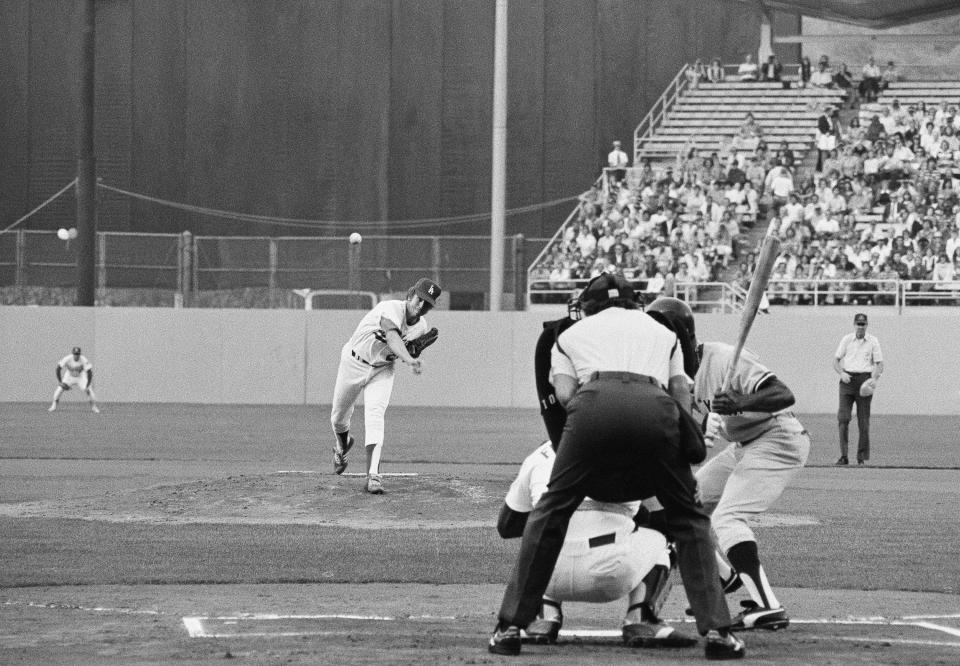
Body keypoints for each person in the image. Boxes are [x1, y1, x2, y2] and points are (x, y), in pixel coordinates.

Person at [489, 273, 744, 660]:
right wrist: (684, 435)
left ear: (589, 306)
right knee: (689, 519)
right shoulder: (664, 333)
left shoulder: (568, 335)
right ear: (633, 303)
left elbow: (565, 392)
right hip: (654, 405)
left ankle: (510, 627)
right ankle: (719, 634)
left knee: (551, 510)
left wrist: (592, 425)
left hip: (592, 404)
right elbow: (679, 392)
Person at [647, 297, 810, 632]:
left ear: (683, 338)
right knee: (685, 505)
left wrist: (741, 402)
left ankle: (768, 607)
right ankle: (725, 576)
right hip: (743, 445)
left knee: (729, 516)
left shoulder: (723, 358)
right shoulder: (671, 376)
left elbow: (783, 394)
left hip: (778, 437)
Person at [497, 440, 697, 648]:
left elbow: (508, 526)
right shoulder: (638, 449)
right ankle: (640, 617)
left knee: (542, 536)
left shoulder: (539, 455)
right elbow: (667, 520)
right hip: (612, 576)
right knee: (664, 535)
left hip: (548, 575)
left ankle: (544, 615)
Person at [329, 277, 441, 494]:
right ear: (410, 294)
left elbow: (402, 348)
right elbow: (392, 336)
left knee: (375, 416)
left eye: (427, 304)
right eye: (420, 299)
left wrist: (413, 351)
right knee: (338, 418)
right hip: (354, 362)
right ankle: (342, 446)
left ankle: (373, 476)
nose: (421, 306)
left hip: (382, 370)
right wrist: (410, 358)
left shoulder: (421, 327)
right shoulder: (389, 308)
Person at [832, 312, 884, 465]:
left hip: (864, 380)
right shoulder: (847, 340)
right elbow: (835, 360)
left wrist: (873, 379)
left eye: (863, 324)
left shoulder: (873, 341)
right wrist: (841, 373)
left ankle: (861, 457)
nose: (860, 327)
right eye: (858, 324)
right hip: (847, 380)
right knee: (843, 418)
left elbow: (879, 364)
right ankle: (844, 456)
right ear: (854, 325)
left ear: (867, 325)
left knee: (863, 421)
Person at [49, 346, 100, 413]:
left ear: (80, 354)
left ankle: (94, 407)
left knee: (89, 390)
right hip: (69, 376)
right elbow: (58, 369)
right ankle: (54, 405)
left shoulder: (83, 359)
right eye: (75, 354)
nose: (76, 355)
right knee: (59, 389)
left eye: (78, 354)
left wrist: (88, 384)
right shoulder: (67, 358)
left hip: (81, 377)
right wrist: (60, 382)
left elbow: (89, 372)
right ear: (73, 354)